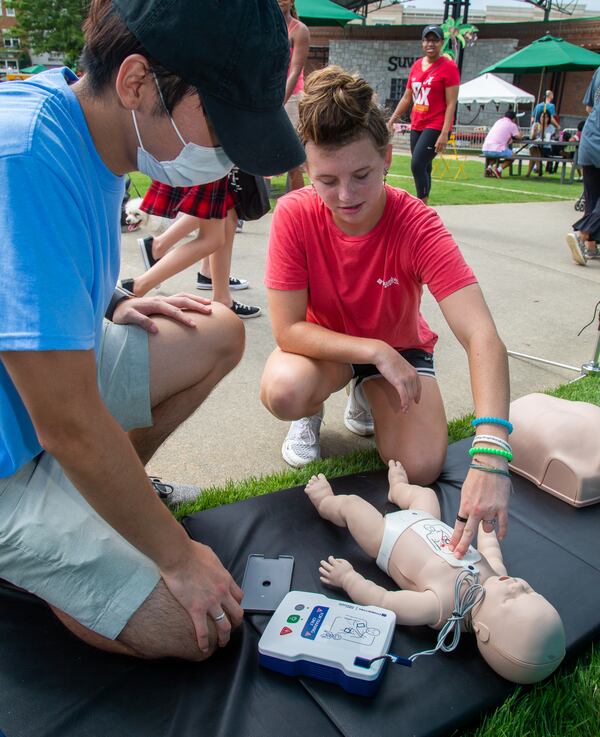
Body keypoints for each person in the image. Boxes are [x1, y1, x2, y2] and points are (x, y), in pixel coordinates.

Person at [0, 0, 304, 662]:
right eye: (219, 122)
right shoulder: (22, 151)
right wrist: (176, 553)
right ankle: (69, 512)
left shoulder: (85, 121)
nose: (226, 155)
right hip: (15, 448)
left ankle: (93, 495)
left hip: (37, 396)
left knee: (218, 330)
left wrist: (105, 299)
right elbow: (69, 421)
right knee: (193, 627)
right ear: (137, 82)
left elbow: (22, 266)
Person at [260, 65, 511, 560]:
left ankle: (367, 396)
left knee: (419, 467)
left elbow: (482, 334)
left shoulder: (417, 223)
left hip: (401, 346)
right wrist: (374, 352)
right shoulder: (293, 213)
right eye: (327, 180)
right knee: (285, 390)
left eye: (361, 176)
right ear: (306, 170)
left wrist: (491, 452)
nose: (346, 196)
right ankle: (316, 409)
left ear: (387, 158)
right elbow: (287, 328)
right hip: (329, 345)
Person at [304, 463, 566, 684]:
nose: (517, 584)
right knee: (427, 497)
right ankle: (398, 490)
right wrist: (487, 526)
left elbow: (385, 601)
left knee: (352, 506)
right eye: (529, 590)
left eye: (512, 599)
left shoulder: (441, 606)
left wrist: (348, 579)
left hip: (386, 537)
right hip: (427, 520)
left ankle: (325, 501)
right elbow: (490, 549)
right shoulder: (496, 575)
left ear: (483, 631)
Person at [121, 174, 261, 318]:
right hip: (214, 162)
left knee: (228, 216)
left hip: (211, 162)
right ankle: (137, 285)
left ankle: (218, 291)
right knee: (213, 237)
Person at [386, 25, 460, 203]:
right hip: (417, 123)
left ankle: (422, 204)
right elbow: (407, 97)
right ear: (422, 42)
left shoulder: (448, 68)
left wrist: (444, 132)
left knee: (417, 164)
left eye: (435, 40)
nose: (431, 43)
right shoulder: (417, 65)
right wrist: (392, 120)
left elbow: (451, 103)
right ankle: (425, 206)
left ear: (441, 42)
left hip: (436, 125)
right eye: (427, 39)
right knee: (425, 166)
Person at [567, 68, 600, 266]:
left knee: (592, 197)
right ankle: (582, 235)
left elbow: (589, 108)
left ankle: (589, 246)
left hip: (590, 136)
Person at [278, 0, 310, 191]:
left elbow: (295, 70)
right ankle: (258, 204)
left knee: (292, 160)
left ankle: (297, 206)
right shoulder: (264, 26)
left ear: (291, 1)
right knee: (260, 153)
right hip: (266, 98)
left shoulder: (299, 30)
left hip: (290, 99)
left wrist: (280, 101)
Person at [481, 110, 523, 178]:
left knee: (495, 155)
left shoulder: (498, 121)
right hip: (497, 149)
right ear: (514, 119)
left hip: (485, 148)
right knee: (514, 156)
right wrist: (521, 134)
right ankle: (499, 170)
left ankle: (489, 167)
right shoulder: (512, 125)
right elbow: (519, 137)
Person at [525, 110, 555, 177]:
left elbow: (550, 138)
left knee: (534, 154)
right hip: (535, 146)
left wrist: (542, 131)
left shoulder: (551, 127)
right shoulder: (535, 125)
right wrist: (535, 132)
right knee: (534, 149)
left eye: (546, 117)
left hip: (546, 147)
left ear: (548, 118)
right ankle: (538, 168)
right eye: (542, 117)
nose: (543, 119)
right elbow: (532, 138)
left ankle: (530, 172)